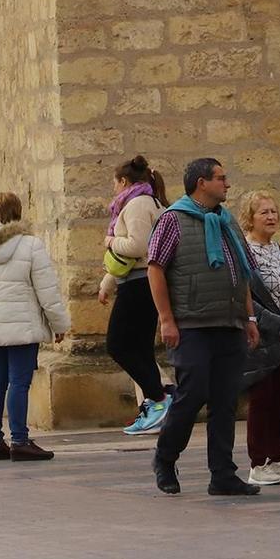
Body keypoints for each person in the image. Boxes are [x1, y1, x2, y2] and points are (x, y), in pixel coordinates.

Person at [148, 157, 261, 496]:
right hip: (191, 324)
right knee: (192, 392)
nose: (227, 184)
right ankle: (165, 458)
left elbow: (241, 274)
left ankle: (222, 474)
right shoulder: (173, 220)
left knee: (226, 400)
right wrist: (167, 319)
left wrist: (250, 318)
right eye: (220, 178)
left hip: (229, 322)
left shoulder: (226, 222)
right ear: (201, 183)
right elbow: (155, 268)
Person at [0, 191, 71, 462]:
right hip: (22, 322)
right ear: (19, 213)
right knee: (20, 382)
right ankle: (20, 440)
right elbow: (47, 290)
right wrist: (59, 324)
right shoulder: (31, 245)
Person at [236, 190, 280, 485]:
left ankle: (276, 458)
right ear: (249, 219)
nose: (271, 216)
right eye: (263, 212)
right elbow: (248, 297)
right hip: (263, 338)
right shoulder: (246, 254)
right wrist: (276, 324)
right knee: (262, 400)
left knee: (279, 400)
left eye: (274, 211)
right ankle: (257, 463)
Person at [100, 155, 170, 436]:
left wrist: (109, 241)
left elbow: (138, 246)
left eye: (115, 183)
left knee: (118, 345)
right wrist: (108, 281)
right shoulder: (145, 202)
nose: (114, 189)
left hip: (139, 283)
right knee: (140, 348)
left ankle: (160, 398)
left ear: (124, 181)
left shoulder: (138, 204)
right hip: (136, 280)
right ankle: (155, 404)